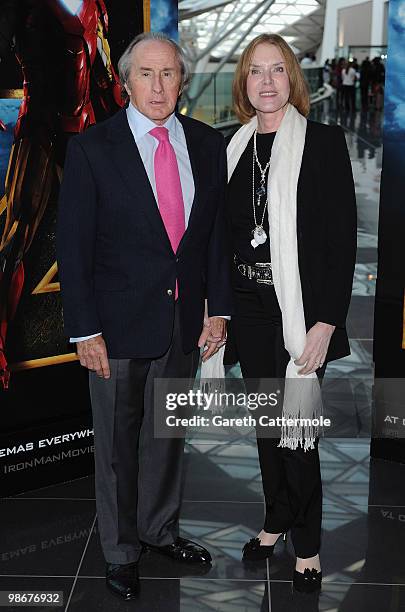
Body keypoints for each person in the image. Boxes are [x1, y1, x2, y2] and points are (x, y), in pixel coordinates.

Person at [57, 32, 233, 601]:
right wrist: (85, 329)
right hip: (116, 329)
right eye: (146, 74)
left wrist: (218, 310)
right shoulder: (92, 148)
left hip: (182, 324)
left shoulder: (207, 145)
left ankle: (159, 531)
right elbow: (74, 247)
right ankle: (121, 549)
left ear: (183, 81)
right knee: (115, 447)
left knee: (167, 435)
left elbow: (212, 241)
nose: (158, 87)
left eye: (169, 74)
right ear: (124, 82)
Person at [224, 33, 356, 592]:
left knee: (296, 433)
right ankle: (276, 519)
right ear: (244, 83)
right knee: (266, 428)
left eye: (279, 70)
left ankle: (308, 545)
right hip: (249, 308)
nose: (269, 82)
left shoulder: (323, 143)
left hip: (300, 310)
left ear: (293, 79)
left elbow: (341, 240)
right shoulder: (230, 148)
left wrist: (326, 322)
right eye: (257, 71)